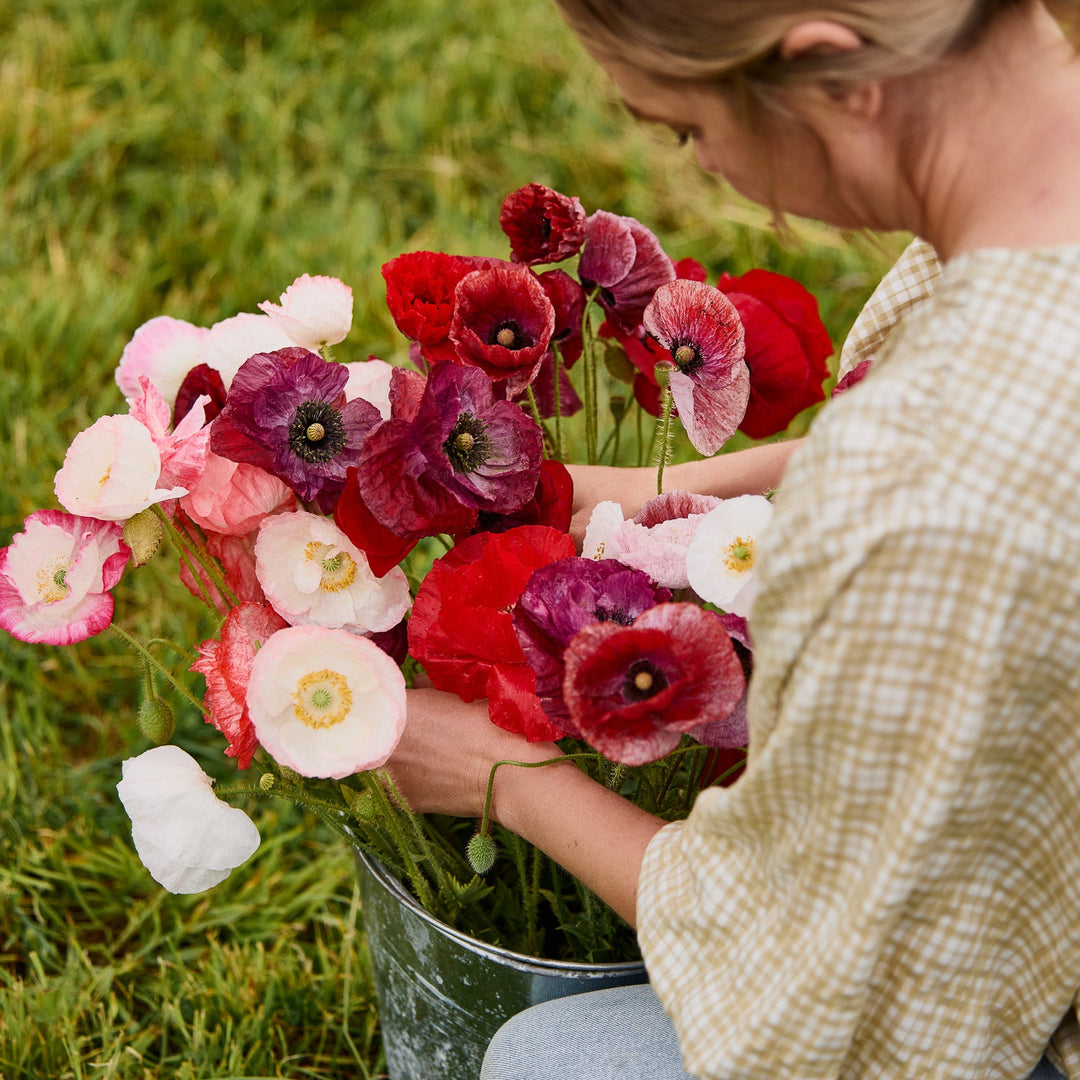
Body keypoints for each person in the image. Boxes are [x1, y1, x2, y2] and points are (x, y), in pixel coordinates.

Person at [387, 1, 1080, 1076]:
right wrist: (664, 487)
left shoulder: (932, 493)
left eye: (684, 128)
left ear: (832, 66)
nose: (706, 166)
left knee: (548, 1056)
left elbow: (823, 1009)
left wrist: (503, 774)